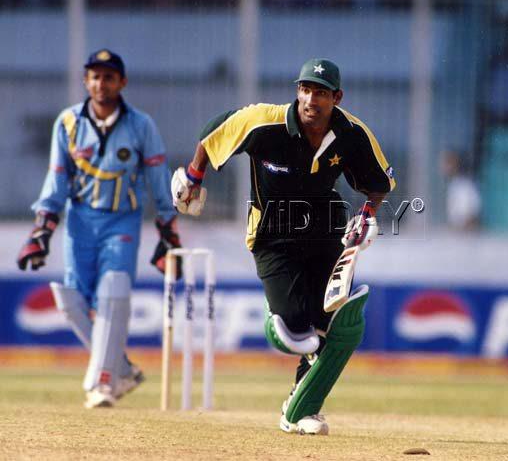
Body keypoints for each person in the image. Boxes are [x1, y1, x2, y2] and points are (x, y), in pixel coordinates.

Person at [171, 58, 395, 435]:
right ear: (297, 92)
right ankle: (280, 307)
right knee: (296, 330)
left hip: (325, 228)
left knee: (329, 326)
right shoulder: (265, 122)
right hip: (272, 233)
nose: (311, 100)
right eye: (305, 90)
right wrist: (193, 177)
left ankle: (301, 407)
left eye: (321, 93)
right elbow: (214, 135)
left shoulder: (352, 133)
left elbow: (380, 182)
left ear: (336, 98)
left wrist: (368, 213)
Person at [16, 49, 181, 408]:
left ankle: (101, 382)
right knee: (71, 300)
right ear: (85, 80)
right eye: (94, 76)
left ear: (122, 82)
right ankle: (121, 368)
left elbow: (157, 176)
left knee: (114, 288)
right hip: (80, 220)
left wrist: (168, 229)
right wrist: (41, 230)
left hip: (122, 219)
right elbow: (57, 177)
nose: (100, 83)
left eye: (108, 77)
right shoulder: (69, 122)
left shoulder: (141, 125)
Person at [440, 150, 481, 231]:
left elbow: (471, 214)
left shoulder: (464, 186)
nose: (443, 167)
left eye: (447, 163)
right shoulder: (453, 185)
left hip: (464, 234)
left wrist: (462, 230)